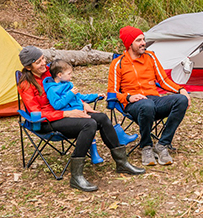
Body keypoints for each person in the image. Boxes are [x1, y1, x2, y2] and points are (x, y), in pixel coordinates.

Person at [17, 46, 144, 192]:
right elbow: (36, 114)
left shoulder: (49, 72)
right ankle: (76, 177)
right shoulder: (26, 84)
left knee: (101, 117)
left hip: (66, 111)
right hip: (47, 122)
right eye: (38, 62)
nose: (43, 64)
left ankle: (122, 163)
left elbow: (67, 90)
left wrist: (83, 104)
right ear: (28, 66)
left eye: (43, 59)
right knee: (89, 124)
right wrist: (67, 114)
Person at [107, 26, 190, 166]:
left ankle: (162, 144)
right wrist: (128, 98)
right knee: (147, 105)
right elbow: (112, 92)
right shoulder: (118, 63)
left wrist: (181, 90)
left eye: (143, 39)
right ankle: (146, 146)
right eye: (138, 40)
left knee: (181, 100)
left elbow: (163, 81)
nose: (143, 43)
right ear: (129, 44)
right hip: (133, 104)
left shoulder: (150, 57)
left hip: (153, 100)